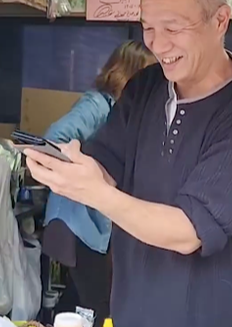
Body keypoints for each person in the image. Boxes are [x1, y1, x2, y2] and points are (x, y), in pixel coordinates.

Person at [25, 0, 232, 327]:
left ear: (220, 21)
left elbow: (187, 232)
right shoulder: (145, 88)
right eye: (148, 28)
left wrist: (92, 192)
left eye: (173, 28)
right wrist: (62, 167)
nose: (158, 45)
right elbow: (106, 164)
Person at [40, 40, 155, 326]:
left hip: (93, 224)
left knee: (83, 298)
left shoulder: (122, 109)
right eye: (149, 74)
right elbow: (56, 136)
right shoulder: (99, 104)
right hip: (77, 222)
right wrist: (83, 170)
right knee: (96, 301)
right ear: (132, 72)